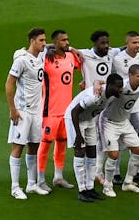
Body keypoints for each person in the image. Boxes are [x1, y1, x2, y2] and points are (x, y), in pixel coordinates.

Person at [5, 28, 50, 199]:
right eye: (41, 40)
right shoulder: (21, 61)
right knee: (18, 147)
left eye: (45, 40)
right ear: (32, 41)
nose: (44, 43)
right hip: (22, 111)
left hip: (36, 112)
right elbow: (9, 84)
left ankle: (32, 184)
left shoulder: (42, 54)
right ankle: (15, 187)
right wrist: (13, 109)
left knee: (34, 145)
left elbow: (54, 46)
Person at [66, 74, 124, 203]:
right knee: (80, 152)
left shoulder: (111, 92)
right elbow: (74, 112)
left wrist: (97, 81)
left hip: (90, 119)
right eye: (118, 87)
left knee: (92, 153)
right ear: (110, 86)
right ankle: (82, 190)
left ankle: (90, 188)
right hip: (75, 119)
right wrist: (78, 135)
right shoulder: (94, 97)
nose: (121, 89)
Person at [37, 29, 82, 190]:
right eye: (63, 40)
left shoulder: (70, 57)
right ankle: (40, 179)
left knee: (62, 143)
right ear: (55, 42)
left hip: (66, 111)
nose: (67, 43)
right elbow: (36, 50)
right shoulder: (46, 59)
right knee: (45, 144)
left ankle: (58, 176)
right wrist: (48, 48)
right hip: (50, 111)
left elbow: (83, 64)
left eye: (67, 39)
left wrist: (72, 49)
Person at [100, 65, 139, 197]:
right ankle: (107, 186)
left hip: (124, 122)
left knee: (138, 151)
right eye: (138, 76)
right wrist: (96, 84)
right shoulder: (120, 86)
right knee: (113, 154)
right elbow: (103, 87)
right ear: (130, 76)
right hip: (109, 122)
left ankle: (128, 182)